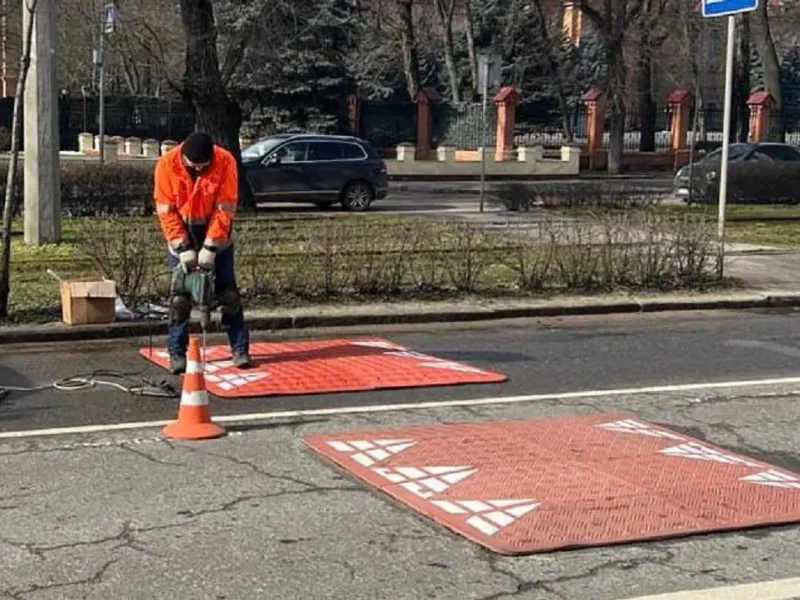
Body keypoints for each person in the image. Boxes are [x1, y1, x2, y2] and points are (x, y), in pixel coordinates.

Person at [153, 131, 252, 375]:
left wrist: (210, 246)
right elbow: (166, 211)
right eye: (193, 165)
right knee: (180, 300)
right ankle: (177, 352)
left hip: (216, 236)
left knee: (228, 295)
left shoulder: (225, 161)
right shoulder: (166, 165)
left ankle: (240, 349)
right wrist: (183, 247)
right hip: (181, 235)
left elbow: (225, 208)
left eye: (203, 166)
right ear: (183, 155)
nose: (198, 169)